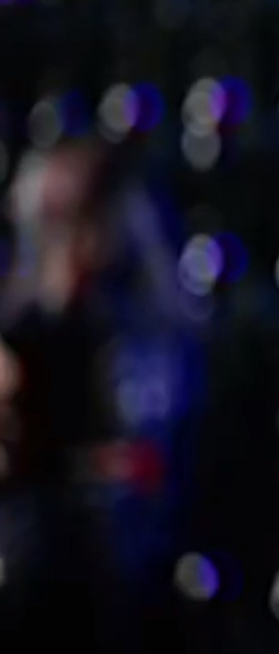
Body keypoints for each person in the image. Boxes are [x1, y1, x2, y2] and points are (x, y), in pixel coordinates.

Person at [0, 140, 206, 650]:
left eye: (82, 220)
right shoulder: (23, 334)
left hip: (130, 561)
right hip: (42, 552)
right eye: (56, 224)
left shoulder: (145, 330)